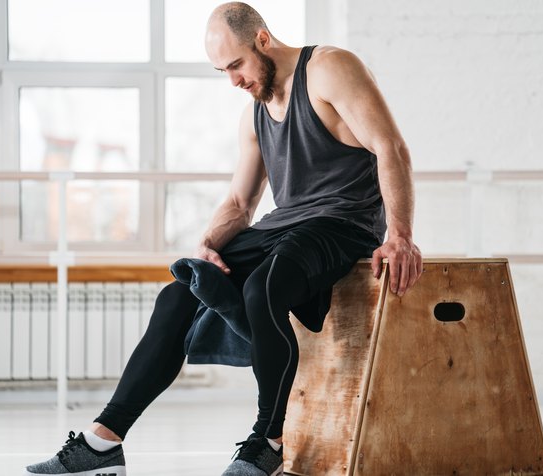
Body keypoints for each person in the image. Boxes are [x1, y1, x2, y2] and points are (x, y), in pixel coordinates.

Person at [24, 2, 422, 475]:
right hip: (284, 226)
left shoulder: (330, 68)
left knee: (262, 288)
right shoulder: (254, 116)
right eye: (222, 71)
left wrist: (399, 235)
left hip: (344, 224)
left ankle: (268, 440)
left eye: (236, 65)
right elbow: (240, 202)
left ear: (263, 40)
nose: (233, 80)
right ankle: (104, 441)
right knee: (181, 293)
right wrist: (209, 245)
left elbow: (390, 146)